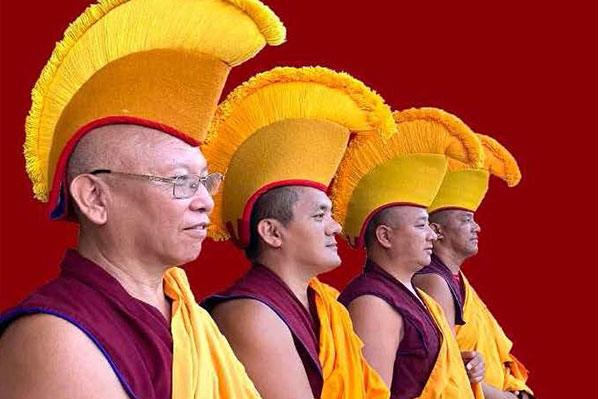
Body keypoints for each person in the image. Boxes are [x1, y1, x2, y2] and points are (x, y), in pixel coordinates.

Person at [0, 0, 285, 397]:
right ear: (94, 197)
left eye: (206, 181)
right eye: (181, 180)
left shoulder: (187, 316)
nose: (205, 201)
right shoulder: (58, 338)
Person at [201, 66, 394, 399]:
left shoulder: (325, 307)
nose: (335, 226)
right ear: (273, 232)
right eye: (320, 215)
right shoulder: (251, 313)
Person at [332, 108, 487, 399]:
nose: (431, 234)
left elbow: (423, 371)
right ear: (385, 236)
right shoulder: (371, 302)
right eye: (421, 225)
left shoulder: (422, 299)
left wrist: (459, 364)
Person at [414, 133, 534, 399]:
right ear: (437, 230)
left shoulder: (457, 279)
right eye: (466, 219)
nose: (477, 227)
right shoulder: (434, 282)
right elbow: (448, 369)